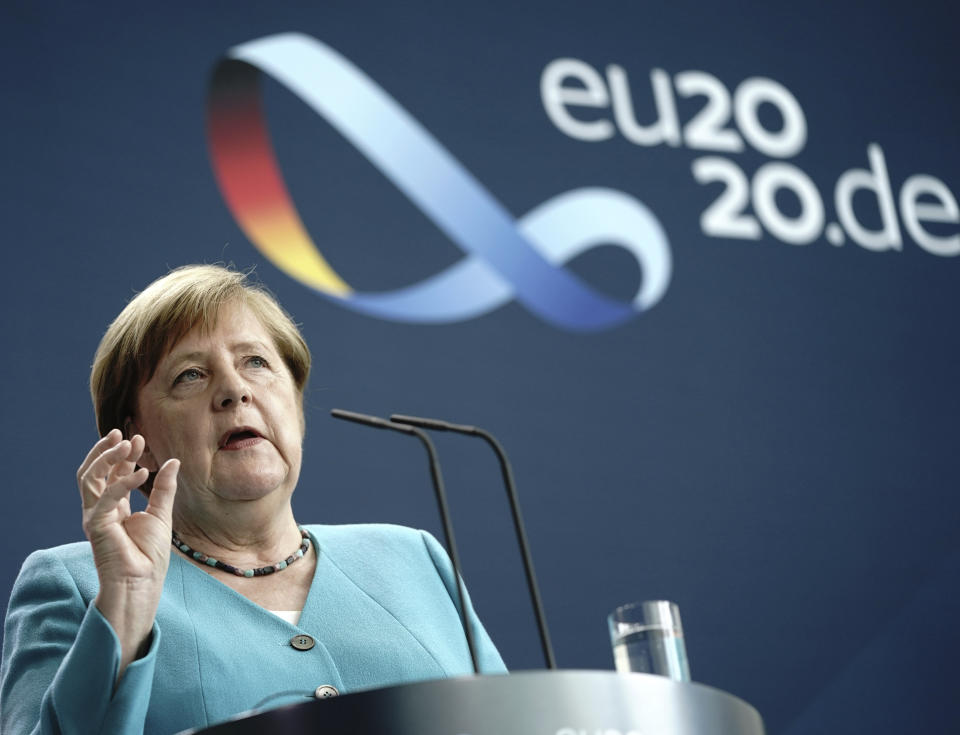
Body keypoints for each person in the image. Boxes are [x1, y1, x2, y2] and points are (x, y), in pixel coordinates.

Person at [0, 265, 505, 735]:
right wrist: (126, 607)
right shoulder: (77, 585)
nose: (235, 390)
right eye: (190, 375)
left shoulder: (413, 559)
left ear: (296, 405)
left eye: (256, 363)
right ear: (139, 440)